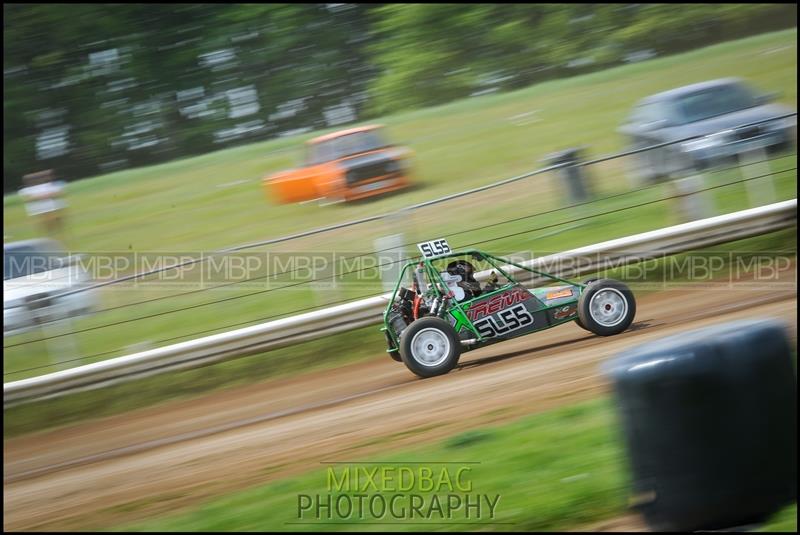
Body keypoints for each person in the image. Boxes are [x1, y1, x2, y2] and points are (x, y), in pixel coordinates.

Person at [18, 170, 67, 239]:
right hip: (40, 209)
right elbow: (27, 199)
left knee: (56, 219)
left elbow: (59, 193)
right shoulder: (25, 190)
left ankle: (57, 232)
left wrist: (47, 195)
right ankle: (48, 234)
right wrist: (40, 196)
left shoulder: (49, 185)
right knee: (45, 222)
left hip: (51, 206)